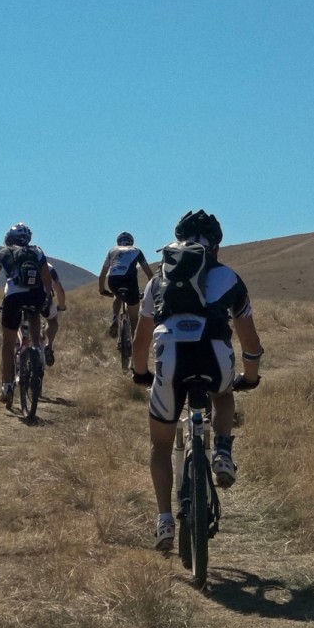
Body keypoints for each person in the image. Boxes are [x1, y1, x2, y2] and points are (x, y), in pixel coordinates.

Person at [130, 210, 263, 552]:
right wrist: (249, 378)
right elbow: (250, 343)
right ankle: (221, 449)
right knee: (223, 393)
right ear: (216, 246)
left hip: (170, 359)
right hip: (214, 357)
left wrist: (141, 373)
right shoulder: (230, 277)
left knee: (160, 445)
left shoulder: (156, 281)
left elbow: (140, 343)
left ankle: (163, 520)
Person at [0, 222, 55, 406]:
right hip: (36, 295)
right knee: (34, 315)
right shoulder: (37, 252)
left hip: (13, 298)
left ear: (8, 238)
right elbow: (46, 278)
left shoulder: (2, 254)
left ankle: (7, 386)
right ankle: (36, 350)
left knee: (8, 343)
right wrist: (47, 297)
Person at [98, 232, 154, 339]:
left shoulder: (112, 251)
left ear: (118, 242)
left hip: (113, 281)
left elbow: (102, 275)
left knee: (117, 294)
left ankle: (115, 318)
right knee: (134, 319)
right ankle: (134, 344)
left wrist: (102, 290)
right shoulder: (137, 251)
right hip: (130, 281)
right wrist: (149, 292)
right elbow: (149, 274)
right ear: (131, 242)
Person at [39, 262, 68, 366]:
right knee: (52, 320)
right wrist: (61, 306)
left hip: (20, 298)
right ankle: (49, 345)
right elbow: (60, 290)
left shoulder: (16, 262)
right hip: (43, 300)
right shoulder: (48, 266)